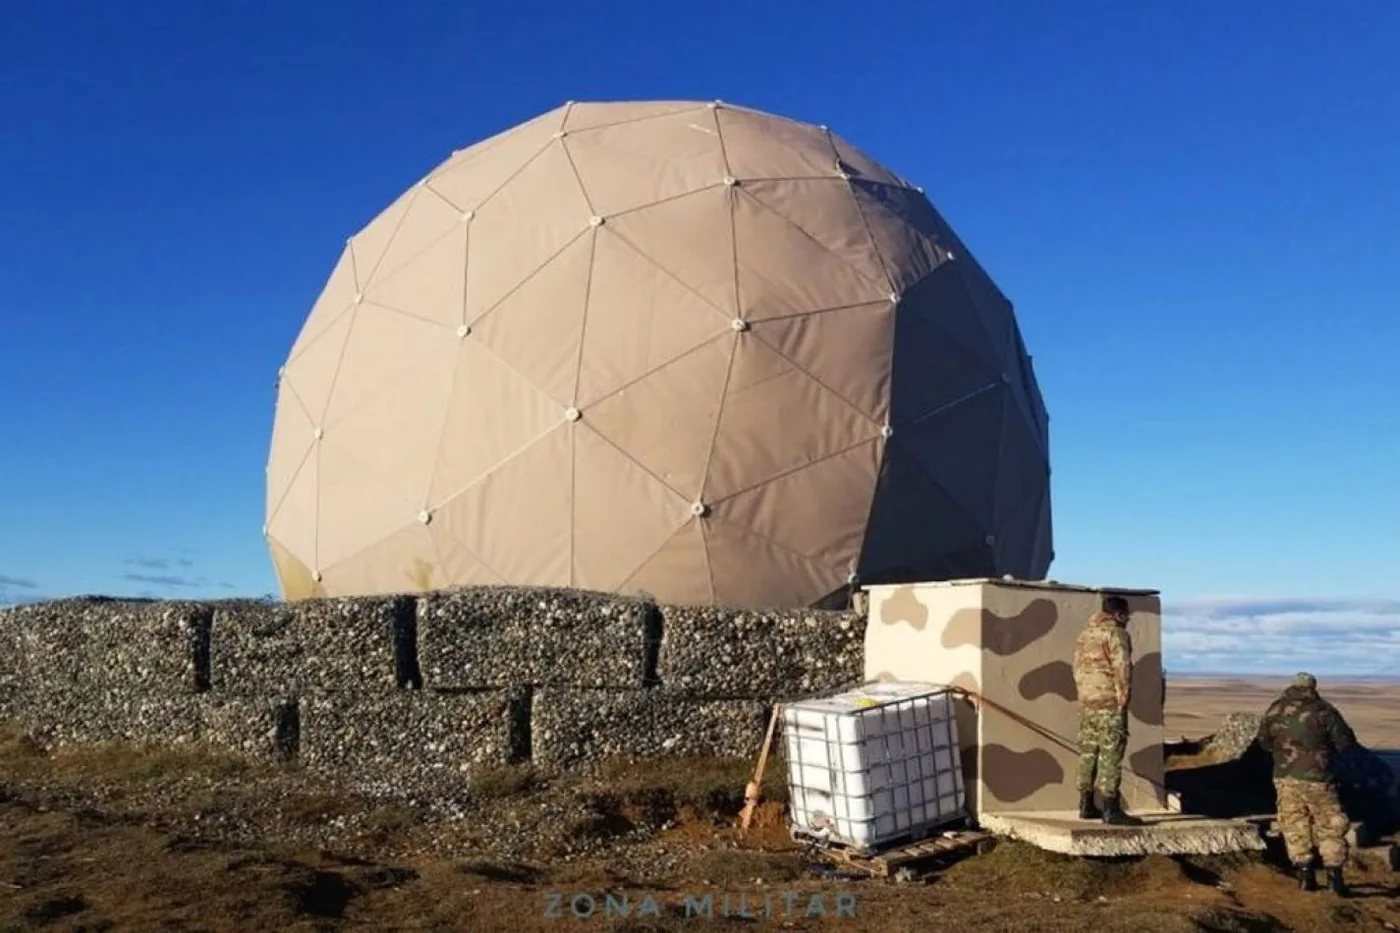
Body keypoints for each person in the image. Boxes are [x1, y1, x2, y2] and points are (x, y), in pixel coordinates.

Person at [1256, 672, 1357, 895]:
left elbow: (1263, 742)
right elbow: (1345, 742)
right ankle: (1334, 878)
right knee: (1330, 824)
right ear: (1313, 687)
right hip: (1319, 779)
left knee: (1294, 823)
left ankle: (1305, 875)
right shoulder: (1324, 710)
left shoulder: (1275, 709)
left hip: (1285, 777)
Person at [1071, 594, 1139, 825]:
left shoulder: (1084, 635)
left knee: (1088, 753)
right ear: (1119, 614)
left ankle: (1086, 805)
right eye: (1126, 616)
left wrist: (1084, 695)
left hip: (1088, 703)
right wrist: (1123, 700)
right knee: (1111, 754)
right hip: (1109, 703)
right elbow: (1123, 668)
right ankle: (1111, 809)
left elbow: (1077, 669)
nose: (1128, 620)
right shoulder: (1117, 634)